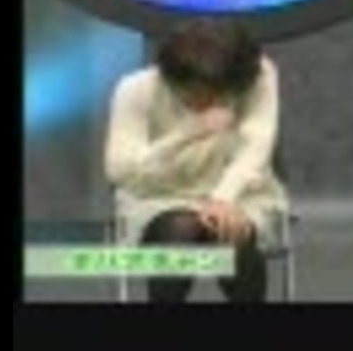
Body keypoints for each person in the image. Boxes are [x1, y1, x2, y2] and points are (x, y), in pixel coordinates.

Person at [104, 20, 287, 303]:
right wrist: (186, 133)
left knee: (232, 236)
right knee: (179, 231)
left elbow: (257, 145)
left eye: (218, 93)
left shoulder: (258, 75)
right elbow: (119, 171)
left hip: (239, 193)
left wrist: (224, 198)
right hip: (158, 194)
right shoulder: (136, 88)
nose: (207, 100)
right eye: (193, 92)